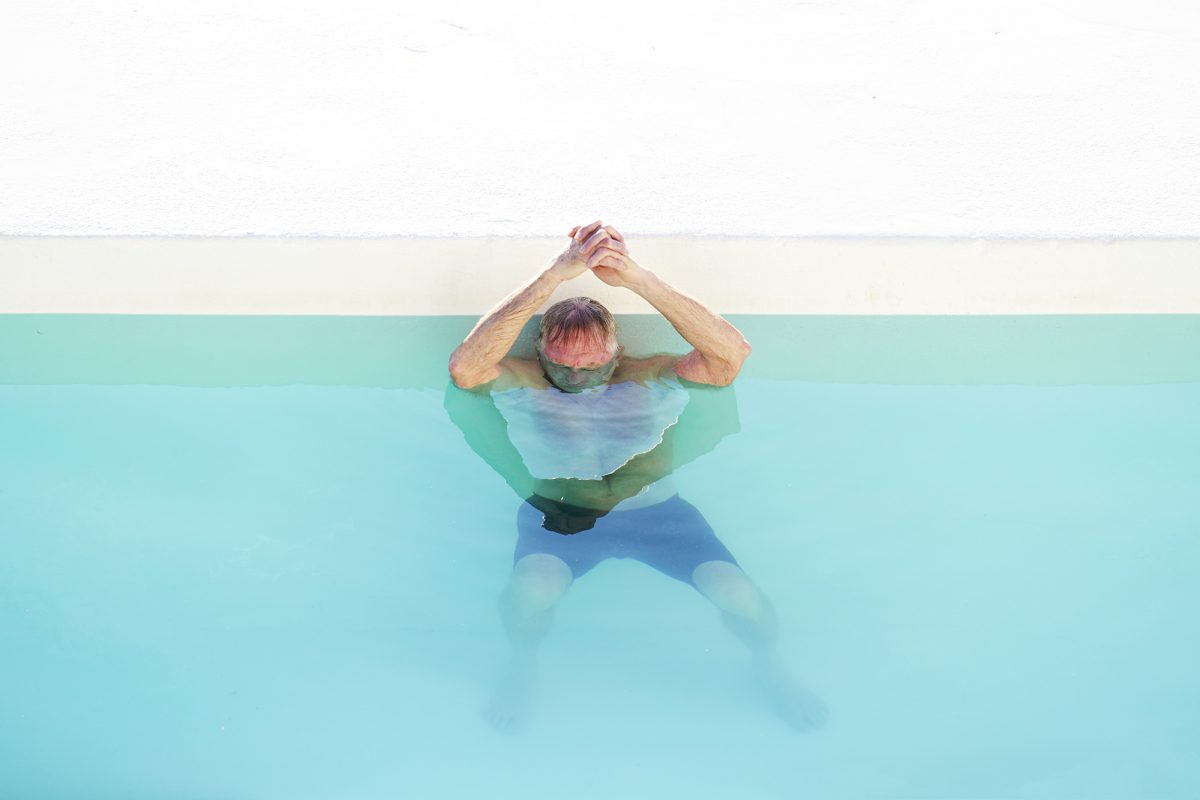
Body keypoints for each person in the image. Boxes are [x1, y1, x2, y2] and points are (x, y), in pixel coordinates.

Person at [446, 220, 827, 732]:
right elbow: (466, 370)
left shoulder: (650, 376)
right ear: (540, 354)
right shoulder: (523, 380)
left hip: (658, 515)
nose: (579, 378)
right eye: (565, 368)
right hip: (562, 517)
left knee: (737, 592)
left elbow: (730, 356)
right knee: (529, 590)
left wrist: (636, 279)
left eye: (594, 366)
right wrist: (557, 273)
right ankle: (523, 664)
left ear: (616, 351)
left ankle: (770, 663)